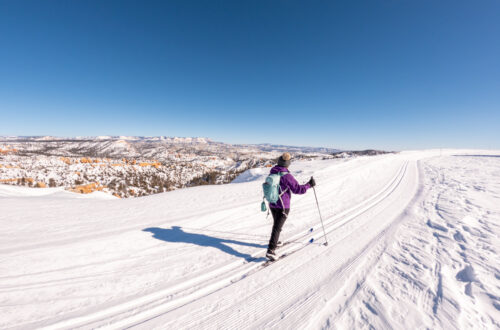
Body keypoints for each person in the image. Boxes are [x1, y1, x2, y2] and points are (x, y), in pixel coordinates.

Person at [266, 152, 315, 261]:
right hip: (283, 205)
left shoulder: (273, 172)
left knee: (276, 225)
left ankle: (275, 242)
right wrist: (309, 185)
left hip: (272, 203)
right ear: (287, 164)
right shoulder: (287, 176)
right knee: (277, 227)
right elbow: (298, 189)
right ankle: (271, 250)